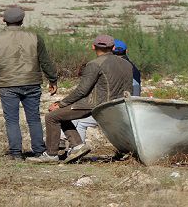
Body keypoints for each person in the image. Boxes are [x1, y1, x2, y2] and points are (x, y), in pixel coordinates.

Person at [27, 34, 132, 163]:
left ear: (93, 47)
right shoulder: (127, 64)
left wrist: (61, 103)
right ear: (113, 47)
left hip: (96, 105)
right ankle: (77, 146)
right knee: (62, 115)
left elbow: (82, 90)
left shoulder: (95, 64)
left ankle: (51, 154)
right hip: (119, 105)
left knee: (52, 116)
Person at [0, 6, 58, 160]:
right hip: (32, 83)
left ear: (3, 20)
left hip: (8, 84)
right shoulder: (35, 37)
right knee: (33, 118)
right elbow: (45, 61)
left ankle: (16, 153)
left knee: (12, 120)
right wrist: (53, 79)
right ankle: (39, 151)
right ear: (22, 20)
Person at [62, 39, 142, 144]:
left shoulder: (106, 66)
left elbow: (87, 90)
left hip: (112, 110)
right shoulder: (132, 68)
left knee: (78, 120)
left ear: (111, 50)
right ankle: (67, 143)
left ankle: (74, 146)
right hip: (130, 109)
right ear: (126, 51)